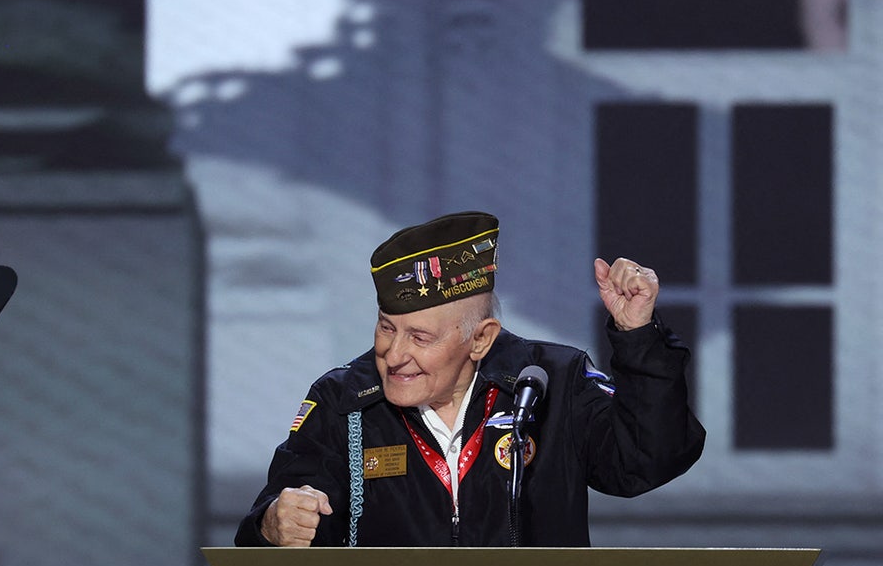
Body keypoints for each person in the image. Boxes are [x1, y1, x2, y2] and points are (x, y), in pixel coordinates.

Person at [234, 211, 705, 547]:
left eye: (419, 337)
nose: (394, 354)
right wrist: (274, 525)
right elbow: (270, 526)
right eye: (386, 328)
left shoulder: (552, 383)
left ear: (480, 339)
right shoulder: (344, 400)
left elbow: (648, 460)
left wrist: (638, 335)